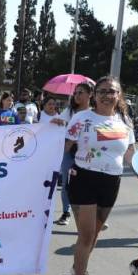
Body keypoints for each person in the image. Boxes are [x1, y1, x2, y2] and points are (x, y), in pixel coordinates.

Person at [64, 76, 138, 275]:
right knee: (87, 234)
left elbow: (130, 155)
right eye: (102, 91)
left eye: (112, 91)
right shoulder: (82, 118)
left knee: (96, 233)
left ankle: (78, 267)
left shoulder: (124, 123)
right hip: (84, 178)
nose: (107, 95)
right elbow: (63, 146)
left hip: (111, 181)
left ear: (118, 95)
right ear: (94, 94)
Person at [55, 82, 93, 226]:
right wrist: (57, 122)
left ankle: (90, 215)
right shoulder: (69, 111)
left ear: (90, 94)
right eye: (75, 93)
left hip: (86, 153)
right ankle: (66, 212)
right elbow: (58, 122)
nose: (77, 96)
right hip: (68, 151)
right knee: (66, 183)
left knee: (87, 184)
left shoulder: (94, 113)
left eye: (80, 92)